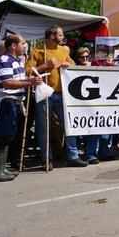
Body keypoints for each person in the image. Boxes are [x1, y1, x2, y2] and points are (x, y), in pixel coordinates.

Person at [0, 33, 42, 181]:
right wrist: (30, 82)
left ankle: (2, 167)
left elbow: (18, 80)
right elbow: (7, 83)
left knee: (8, 135)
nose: (24, 46)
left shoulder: (17, 61)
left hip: (14, 101)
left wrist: (28, 80)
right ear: (13, 45)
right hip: (5, 102)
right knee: (1, 135)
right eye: (22, 43)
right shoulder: (5, 60)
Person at [26, 26, 86, 168]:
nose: (62, 36)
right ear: (52, 36)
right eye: (60, 34)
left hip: (62, 94)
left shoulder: (63, 50)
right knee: (43, 127)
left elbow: (72, 64)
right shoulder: (37, 51)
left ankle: (73, 155)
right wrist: (44, 66)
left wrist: (68, 64)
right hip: (44, 93)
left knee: (68, 125)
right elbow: (28, 71)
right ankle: (46, 158)